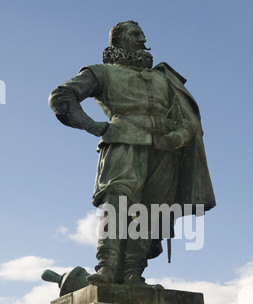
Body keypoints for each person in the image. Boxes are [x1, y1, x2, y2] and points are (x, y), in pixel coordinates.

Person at [49, 20, 216, 287]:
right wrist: (92, 126)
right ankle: (106, 269)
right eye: (134, 33)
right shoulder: (101, 72)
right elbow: (61, 96)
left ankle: (133, 274)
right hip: (122, 145)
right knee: (116, 206)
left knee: (149, 212)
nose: (142, 38)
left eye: (142, 33)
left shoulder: (164, 78)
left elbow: (186, 119)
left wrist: (180, 136)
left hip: (164, 150)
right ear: (117, 41)